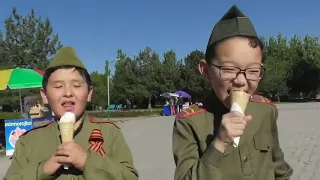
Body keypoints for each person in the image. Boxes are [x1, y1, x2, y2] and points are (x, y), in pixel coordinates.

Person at [172, 5, 293, 180]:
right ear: (206, 71)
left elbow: (280, 170)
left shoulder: (266, 111)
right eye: (228, 69)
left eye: (253, 71)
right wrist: (219, 143)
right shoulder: (189, 123)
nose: (241, 81)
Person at [4, 47, 138, 180]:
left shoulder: (109, 133)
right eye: (58, 86)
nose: (68, 93)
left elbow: (129, 176)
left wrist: (88, 161)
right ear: (44, 95)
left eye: (76, 85)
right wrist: (44, 169)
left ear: (89, 94)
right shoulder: (28, 142)